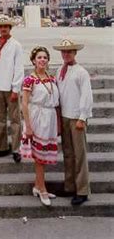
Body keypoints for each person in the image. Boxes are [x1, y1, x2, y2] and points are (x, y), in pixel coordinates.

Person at [53, 38, 93, 206]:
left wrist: (82, 117)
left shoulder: (81, 72)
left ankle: (82, 190)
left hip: (76, 117)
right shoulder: (59, 71)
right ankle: (69, 185)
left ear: (75, 53)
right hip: (65, 115)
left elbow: (86, 95)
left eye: (69, 51)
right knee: (68, 153)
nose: (66, 54)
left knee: (79, 154)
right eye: (64, 51)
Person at [20, 46, 60, 207]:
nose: (42, 60)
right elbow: (24, 103)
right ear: (33, 61)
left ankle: (37, 186)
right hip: (36, 117)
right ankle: (42, 188)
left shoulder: (51, 79)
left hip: (49, 117)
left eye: (45, 57)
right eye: (39, 58)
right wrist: (28, 126)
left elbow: (56, 103)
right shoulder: (30, 80)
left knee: (43, 154)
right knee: (39, 156)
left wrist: (57, 123)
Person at [0, 15, 24, 162]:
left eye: (6, 27)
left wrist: (16, 88)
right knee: (0, 119)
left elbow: (18, 68)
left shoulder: (15, 45)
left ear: (10, 28)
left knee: (15, 120)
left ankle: (16, 148)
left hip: (10, 87)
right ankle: (1, 147)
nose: (3, 29)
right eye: (1, 27)